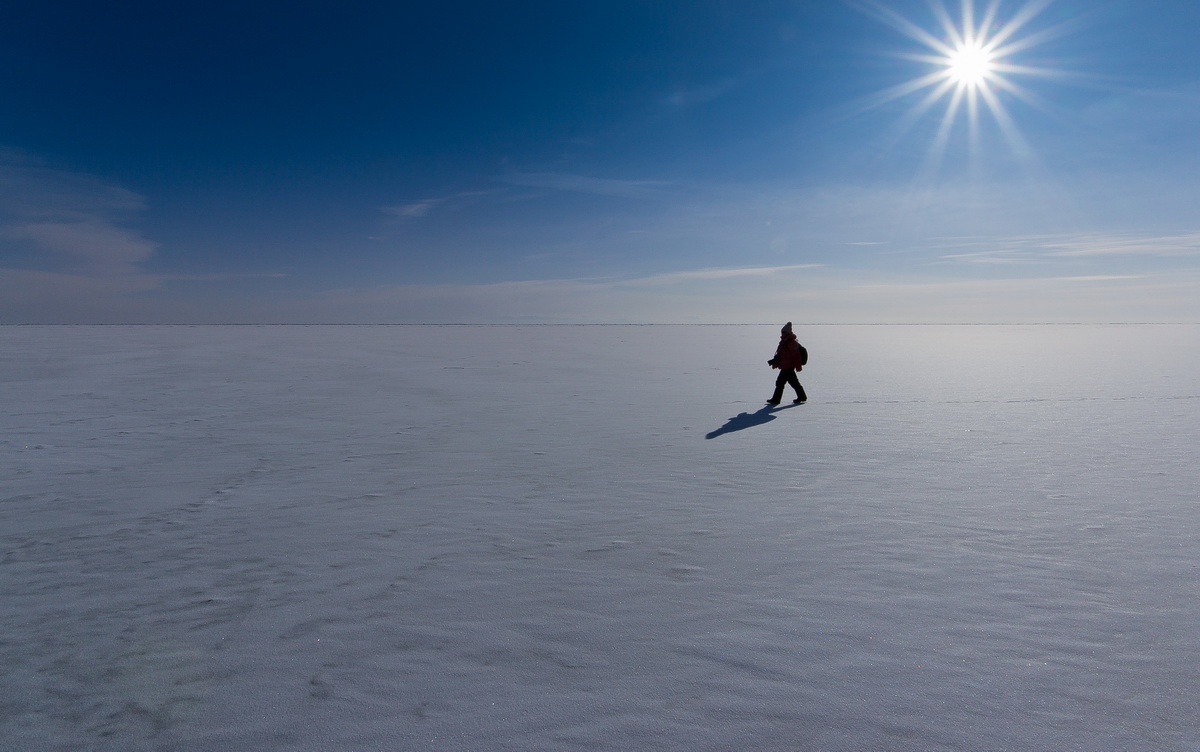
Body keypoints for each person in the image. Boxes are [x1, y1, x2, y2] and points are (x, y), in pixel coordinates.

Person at [767, 321, 807, 405]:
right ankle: (802, 397)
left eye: (784, 332)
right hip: (785, 366)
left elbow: (796, 356)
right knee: (792, 383)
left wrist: (798, 366)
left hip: (788, 367)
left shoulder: (792, 342)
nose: (782, 333)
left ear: (788, 332)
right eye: (782, 332)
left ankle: (776, 400)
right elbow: (780, 354)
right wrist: (774, 361)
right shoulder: (783, 342)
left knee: (781, 383)